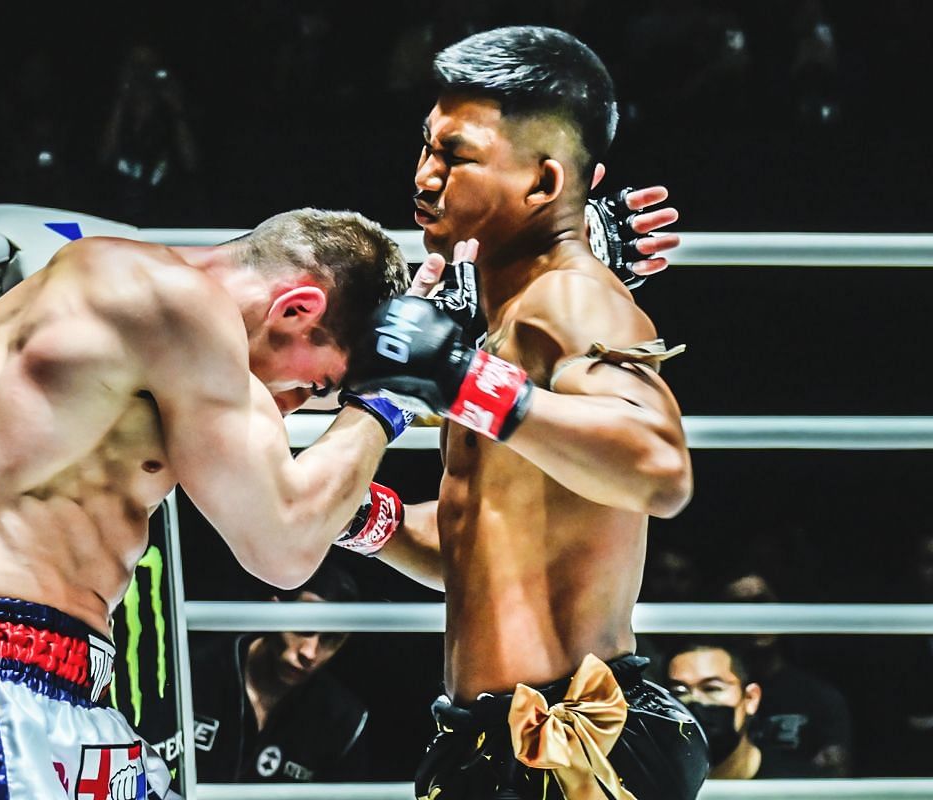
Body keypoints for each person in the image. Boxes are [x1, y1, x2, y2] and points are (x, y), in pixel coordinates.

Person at [0, 209, 420, 800]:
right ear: (296, 310)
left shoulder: (155, 312)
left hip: (44, 683)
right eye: (316, 385)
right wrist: (388, 400)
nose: (295, 406)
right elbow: (284, 550)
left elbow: (289, 509)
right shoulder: (178, 307)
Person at [335, 26, 708, 798]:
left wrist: (459, 378)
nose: (426, 176)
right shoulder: (504, 324)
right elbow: (480, 544)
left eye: (457, 155)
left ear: (542, 183)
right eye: (427, 147)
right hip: (488, 742)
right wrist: (354, 515)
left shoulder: (572, 301)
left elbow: (658, 468)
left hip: (568, 756)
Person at [139, 560, 368, 785]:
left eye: (330, 639)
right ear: (271, 610)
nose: (309, 652)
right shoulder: (192, 670)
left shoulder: (342, 719)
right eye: (304, 625)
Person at [720, 571, 852, 777]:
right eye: (739, 606)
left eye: (761, 603)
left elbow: (833, 774)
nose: (752, 616)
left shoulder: (819, 697)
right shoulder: (716, 697)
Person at [667, 640, 796, 779]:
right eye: (679, 692)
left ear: (750, 698)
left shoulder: (796, 787)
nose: (694, 703)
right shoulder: (658, 785)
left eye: (711, 688)